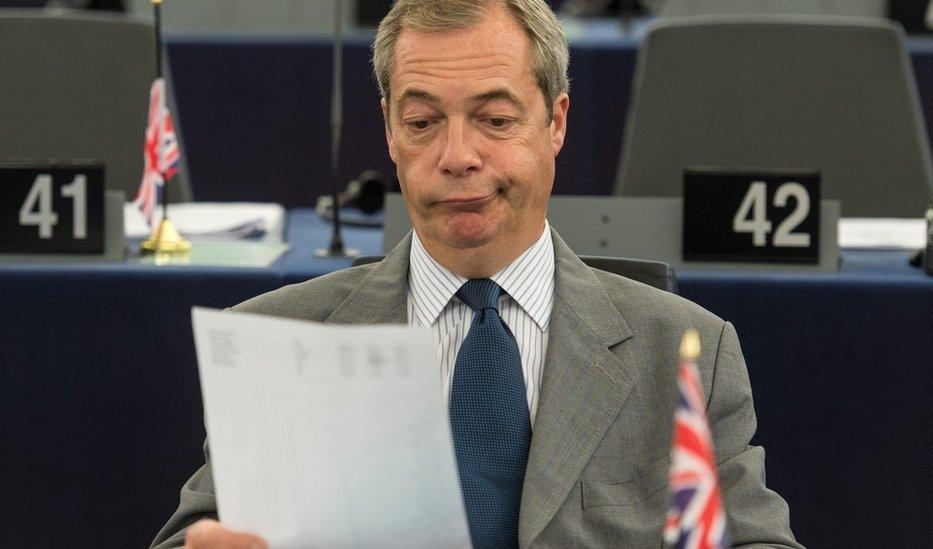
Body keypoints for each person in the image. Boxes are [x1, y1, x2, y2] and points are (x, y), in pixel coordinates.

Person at [152, 0, 802, 547]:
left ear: (556, 123)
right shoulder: (279, 338)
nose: (457, 155)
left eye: (494, 120)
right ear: (387, 131)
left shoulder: (684, 350)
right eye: (422, 122)